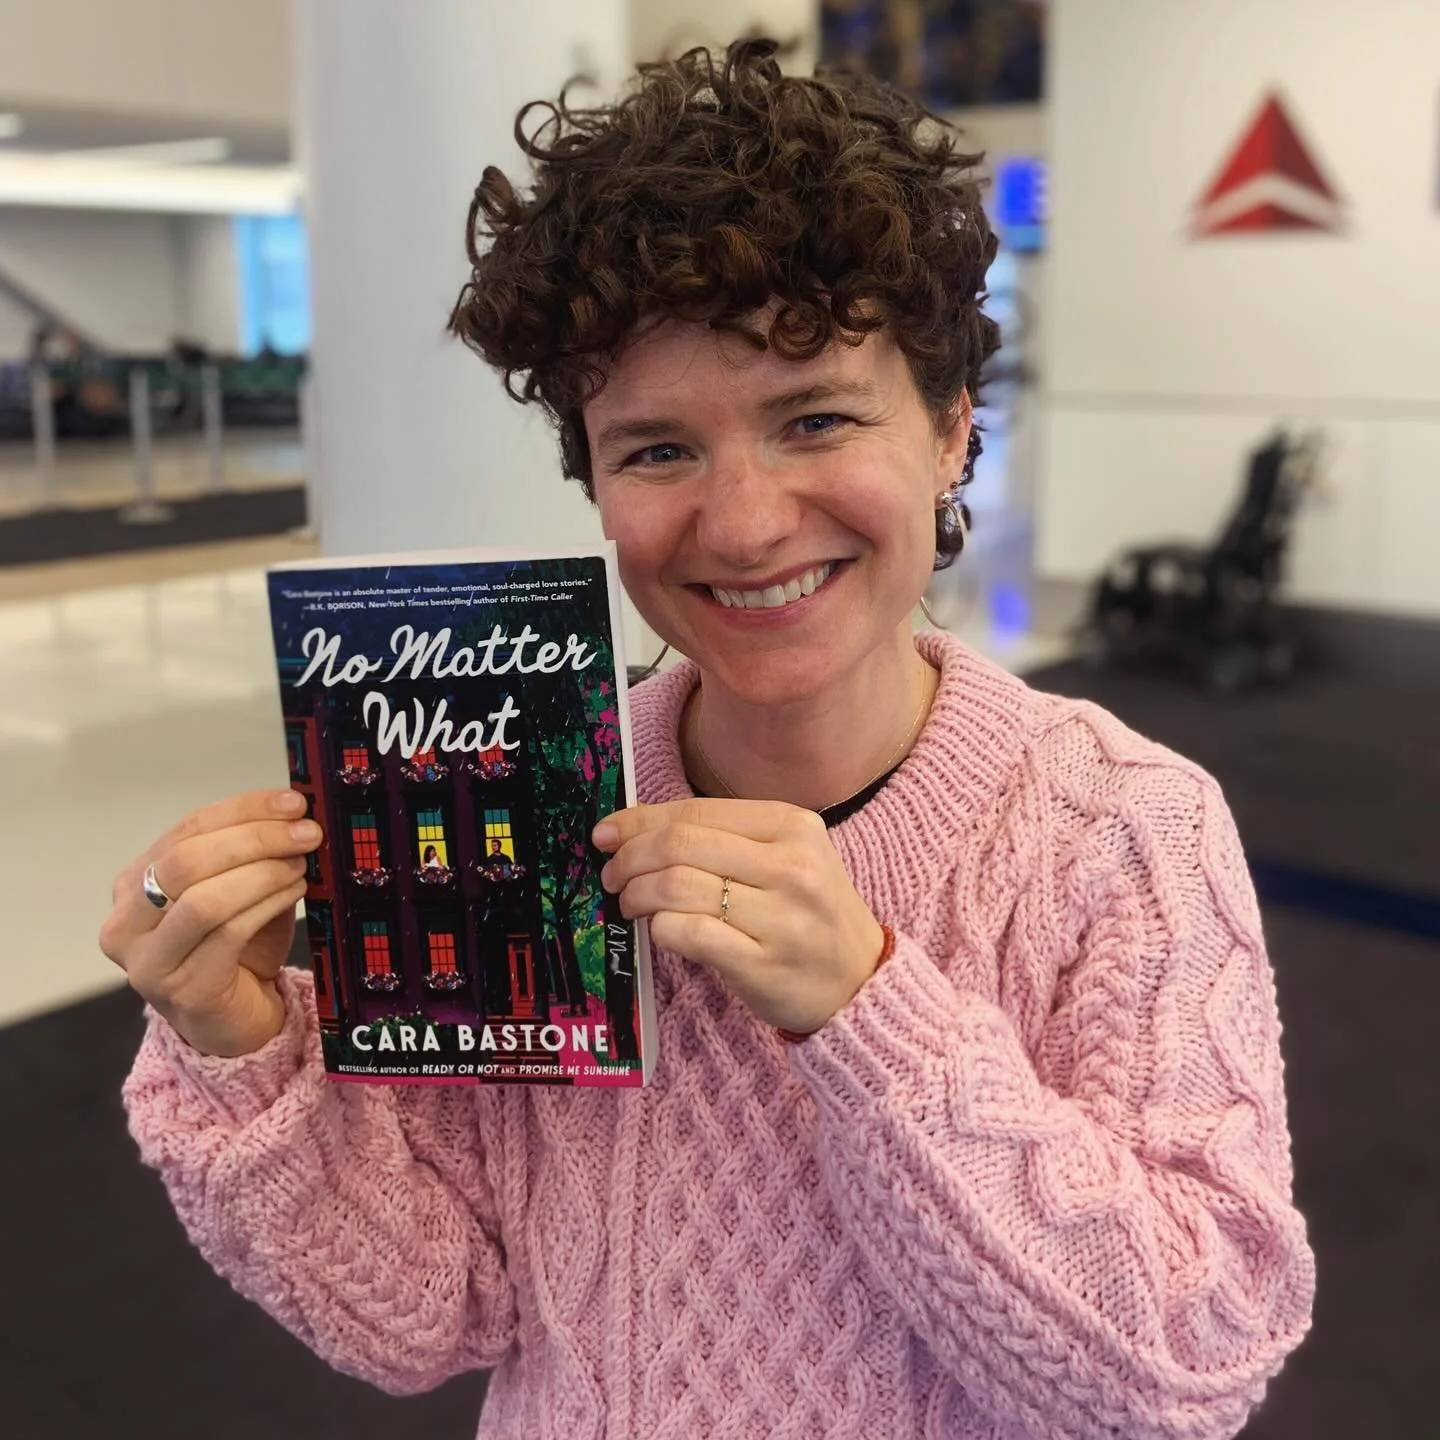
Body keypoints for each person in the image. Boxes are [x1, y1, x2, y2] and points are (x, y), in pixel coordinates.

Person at [104, 40, 1314, 1440]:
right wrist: (241, 1039)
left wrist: (868, 1013)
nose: (741, 525)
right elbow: (438, 1313)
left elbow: (1190, 1366)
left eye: (817, 418)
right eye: (658, 449)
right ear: (596, 481)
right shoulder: (530, 799)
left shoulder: (1122, 828)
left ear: (949, 434)